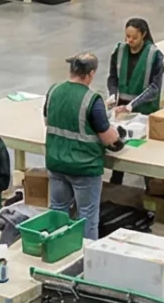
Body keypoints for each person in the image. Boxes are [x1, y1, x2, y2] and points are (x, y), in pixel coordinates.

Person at [42, 52, 123, 223]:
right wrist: (118, 134)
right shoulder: (92, 100)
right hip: (84, 167)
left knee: (57, 210)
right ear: (91, 74)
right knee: (86, 216)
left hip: (56, 162)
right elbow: (109, 139)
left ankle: (58, 247)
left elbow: (47, 121)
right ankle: (86, 249)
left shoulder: (54, 91)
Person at [107, 18, 164, 116]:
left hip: (145, 110)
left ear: (143, 34)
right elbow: (113, 78)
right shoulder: (119, 52)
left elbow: (154, 88)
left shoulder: (154, 55)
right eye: (127, 36)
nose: (130, 40)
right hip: (121, 109)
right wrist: (112, 96)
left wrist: (131, 106)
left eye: (134, 37)